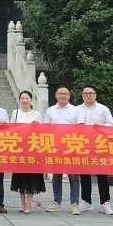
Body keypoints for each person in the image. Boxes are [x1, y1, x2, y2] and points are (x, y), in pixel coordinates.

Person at [44, 85, 84, 215]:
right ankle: (57, 202)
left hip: (72, 147)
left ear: (69, 95)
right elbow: (46, 129)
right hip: (56, 148)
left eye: (65, 94)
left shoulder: (76, 110)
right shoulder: (50, 110)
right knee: (56, 176)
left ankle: (75, 203)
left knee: (74, 176)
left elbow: (81, 128)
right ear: (55, 95)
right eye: (60, 93)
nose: (63, 96)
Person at [77, 84, 113, 215]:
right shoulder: (77, 110)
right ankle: (86, 201)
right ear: (82, 95)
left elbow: (111, 124)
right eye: (85, 93)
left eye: (91, 93)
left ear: (95, 95)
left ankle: (105, 202)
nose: (88, 96)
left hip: (99, 145)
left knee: (102, 174)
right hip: (83, 145)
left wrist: (101, 126)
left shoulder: (103, 109)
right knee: (84, 174)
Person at [9, 90, 45, 214]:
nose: (25, 100)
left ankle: (29, 204)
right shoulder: (16, 113)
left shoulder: (37, 114)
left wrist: (37, 126)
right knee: (20, 177)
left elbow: (43, 131)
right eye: (22, 98)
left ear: (31, 99)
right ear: (20, 100)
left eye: (27, 98)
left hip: (33, 149)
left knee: (31, 177)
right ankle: (22, 203)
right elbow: (11, 129)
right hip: (19, 149)